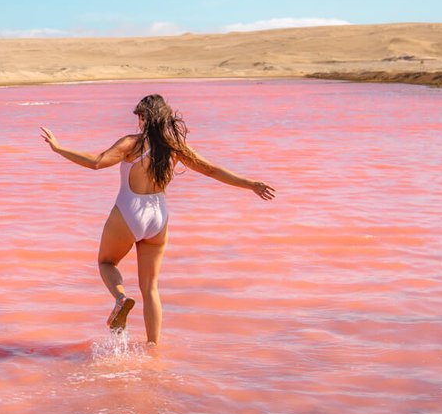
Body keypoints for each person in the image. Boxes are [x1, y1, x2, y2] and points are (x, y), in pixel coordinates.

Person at [40, 94, 275, 345]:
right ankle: (153, 349)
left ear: (144, 118)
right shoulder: (175, 148)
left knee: (106, 262)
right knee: (151, 287)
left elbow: (96, 163)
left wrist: (59, 148)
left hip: (129, 210)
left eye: (139, 117)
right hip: (158, 217)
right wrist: (251, 184)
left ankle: (120, 299)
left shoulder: (131, 143)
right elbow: (211, 169)